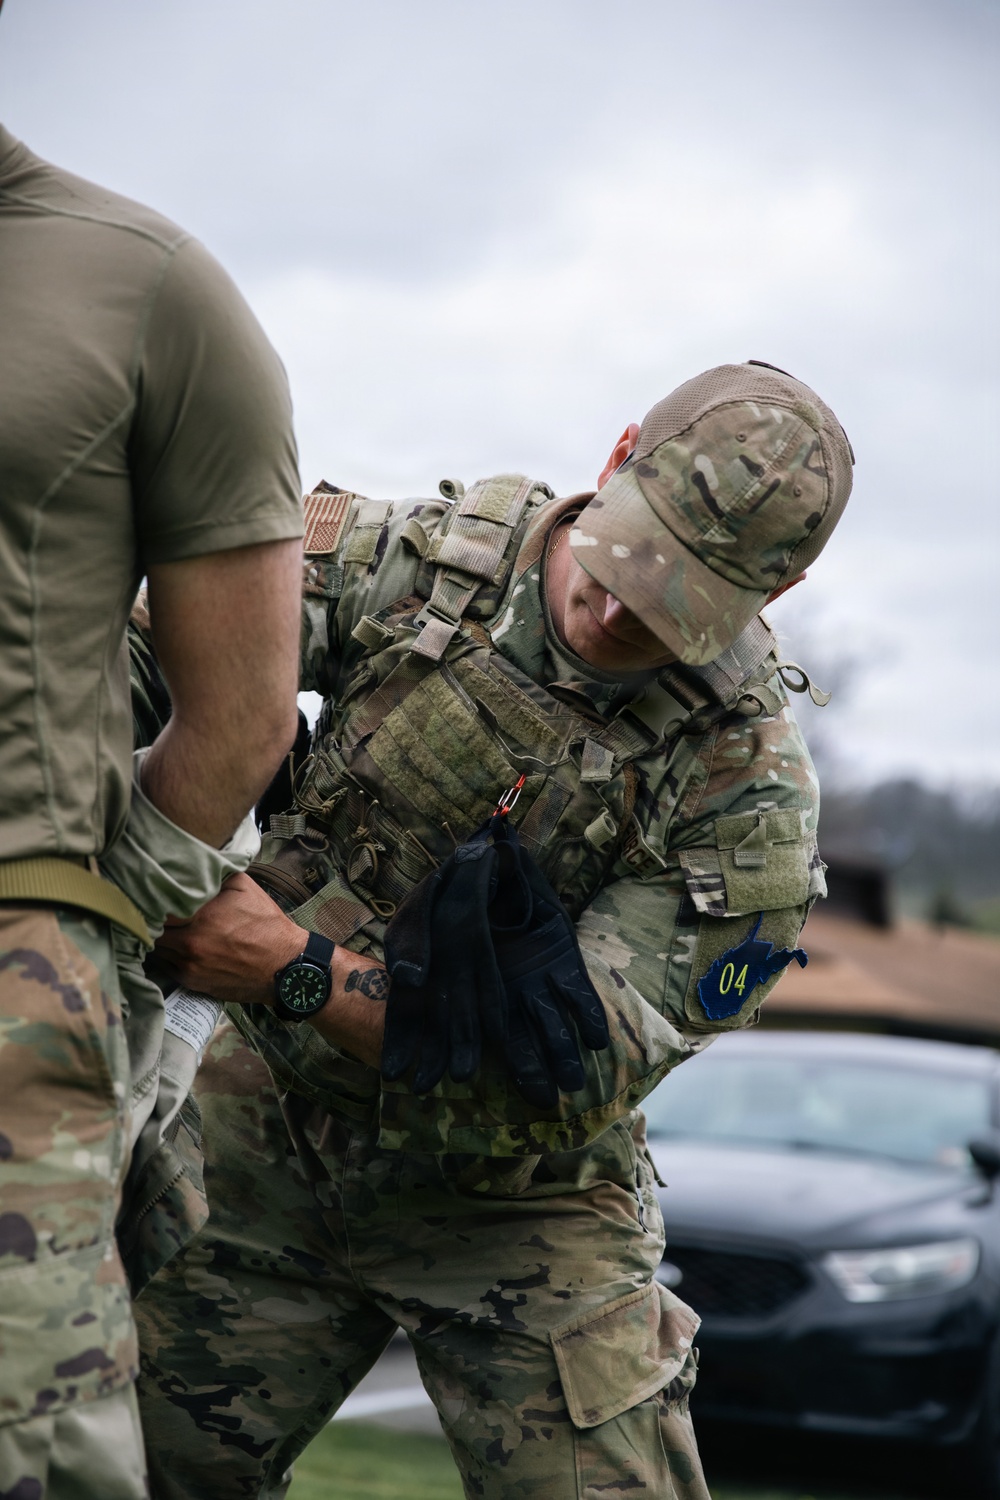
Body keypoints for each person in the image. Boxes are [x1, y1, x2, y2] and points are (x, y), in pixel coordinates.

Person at [133, 361, 853, 1499]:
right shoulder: (419, 563)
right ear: (616, 457)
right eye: (630, 559)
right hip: (259, 1134)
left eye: (684, 601)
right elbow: (142, 656)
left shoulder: (743, 793)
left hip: (521, 1205)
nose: (617, 614)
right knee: (106, 1464)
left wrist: (287, 966)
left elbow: (568, 1075)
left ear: (783, 585)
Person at [0, 123, 305, 1499]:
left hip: (16, 947)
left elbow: (241, 716)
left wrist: (97, 936)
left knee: (31, 1439)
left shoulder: (145, 287)